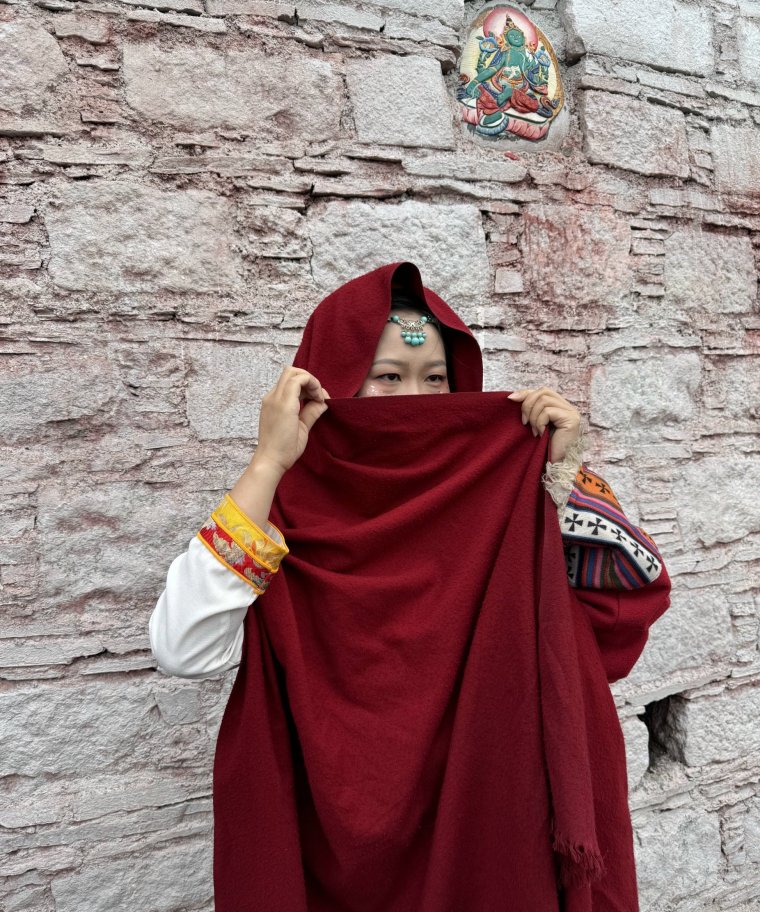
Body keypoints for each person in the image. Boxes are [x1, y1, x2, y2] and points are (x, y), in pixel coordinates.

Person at [149, 261, 671, 912]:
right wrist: (268, 462)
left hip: (490, 831)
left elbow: (621, 611)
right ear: (328, 386)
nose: (415, 399)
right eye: (388, 377)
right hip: (322, 856)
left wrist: (562, 479)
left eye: (436, 378)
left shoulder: (501, 504)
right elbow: (183, 647)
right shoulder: (277, 519)